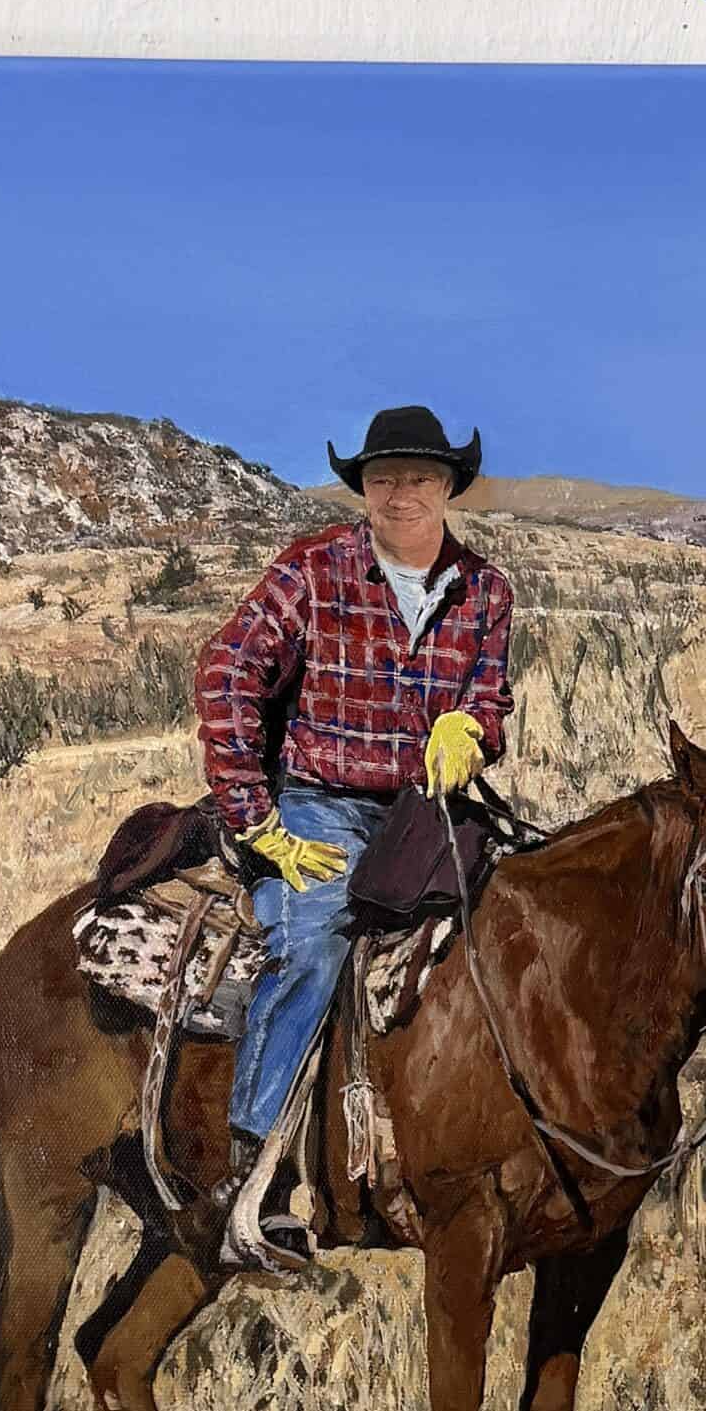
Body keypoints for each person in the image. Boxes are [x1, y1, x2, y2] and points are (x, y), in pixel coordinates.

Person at [193, 405, 514, 1262]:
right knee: (309, 946)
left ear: (449, 486)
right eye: (382, 478)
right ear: (362, 489)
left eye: (417, 477)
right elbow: (227, 675)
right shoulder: (313, 571)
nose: (400, 494)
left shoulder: (485, 590)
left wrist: (472, 731)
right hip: (319, 802)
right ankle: (249, 1180)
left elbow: (490, 696)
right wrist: (259, 824)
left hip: (425, 811)